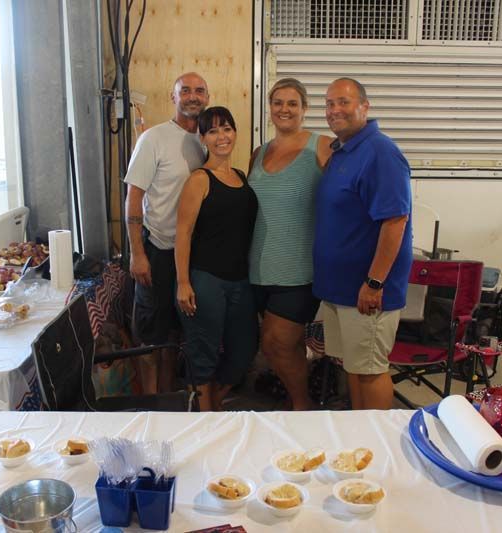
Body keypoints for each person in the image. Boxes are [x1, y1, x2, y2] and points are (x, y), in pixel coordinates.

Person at [314, 77, 412, 410]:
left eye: (343, 102)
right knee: (354, 369)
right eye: (329, 103)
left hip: (366, 293)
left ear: (364, 107)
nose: (334, 110)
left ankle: (379, 449)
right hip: (340, 290)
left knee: (370, 372)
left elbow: (396, 221)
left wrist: (374, 282)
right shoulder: (343, 152)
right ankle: (360, 441)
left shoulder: (380, 152)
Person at [248, 78, 333, 410]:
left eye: (292, 103)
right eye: (278, 102)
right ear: (269, 108)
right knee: (276, 346)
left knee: (278, 342)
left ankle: (302, 405)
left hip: (300, 268)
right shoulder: (258, 152)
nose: (284, 109)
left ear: (304, 109)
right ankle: (298, 404)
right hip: (257, 267)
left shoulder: (321, 146)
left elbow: (346, 192)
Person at [124, 72, 210, 394]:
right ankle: (150, 404)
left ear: (207, 98)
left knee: (175, 334)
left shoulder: (207, 141)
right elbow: (134, 197)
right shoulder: (154, 139)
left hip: (191, 255)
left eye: (199, 91)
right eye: (185, 90)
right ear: (173, 98)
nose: (192, 96)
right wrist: (137, 253)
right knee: (149, 335)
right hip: (157, 250)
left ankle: (168, 401)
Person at [174, 106, 259, 411]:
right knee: (203, 353)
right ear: (203, 138)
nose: (221, 136)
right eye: (212, 131)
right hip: (205, 279)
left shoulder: (239, 176)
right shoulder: (199, 179)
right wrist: (183, 283)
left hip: (240, 279)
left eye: (227, 128)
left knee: (245, 350)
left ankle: (215, 406)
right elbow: (182, 234)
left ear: (235, 132)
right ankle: (204, 419)